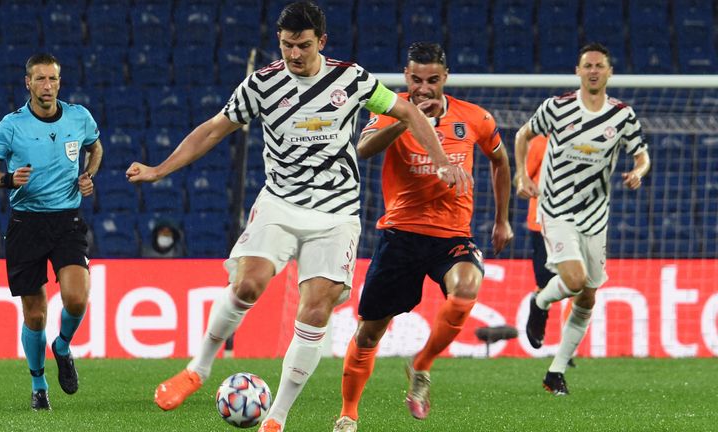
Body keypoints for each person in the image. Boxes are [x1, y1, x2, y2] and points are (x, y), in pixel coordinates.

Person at [125, 3, 468, 431]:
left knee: (316, 310)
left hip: (336, 212)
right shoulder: (261, 84)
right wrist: (160, 169)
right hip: (280, 204)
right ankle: (198, 369)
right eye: (287, 45)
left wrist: (440, 161)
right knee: (248, 283)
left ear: (321, 42)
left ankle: (276, 418)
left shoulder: (352, 78)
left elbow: (408, 112)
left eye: (303, 45)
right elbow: (214, 128)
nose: (294, 54)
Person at [334, 42, 513, 432]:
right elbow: (362, 149)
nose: (424, 88)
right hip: (401, 235)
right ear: (406, 76)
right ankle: (348, 413)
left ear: (445, 78)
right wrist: (407, 118)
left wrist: (503, 220)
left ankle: (422, 365)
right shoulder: (390, 107)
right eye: (416, 80)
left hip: (452, 237)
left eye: (432, 80)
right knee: (369, 333)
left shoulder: (475, 118)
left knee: (466, 289)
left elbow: (500, 161)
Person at [514, 42, 650, 396]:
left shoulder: (622, 115)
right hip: (556, 208)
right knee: (574, 280)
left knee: (588, 297)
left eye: (599, 65)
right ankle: (540, 302)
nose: (593, 70)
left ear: (609, 72)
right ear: (578, 71)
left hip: (596, 215)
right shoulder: (557, 107)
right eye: (587, 65)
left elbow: (642, 155)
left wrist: (639, 171)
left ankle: (555, 371)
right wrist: (521, 175)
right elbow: (522, 135)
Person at [0, 53, 103, 410]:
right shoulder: (11, 126)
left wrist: (89, 173)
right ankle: (38, 383)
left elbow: (96, 148)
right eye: (41, 80)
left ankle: (62, 346)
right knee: (35, 314)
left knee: (77, 298)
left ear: (60, 82)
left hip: (67, 221)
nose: (48, 86)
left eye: (53, 80)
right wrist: (7, 179)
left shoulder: (79, 117)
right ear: (27, 83)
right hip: (25, 223)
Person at [523, 134, 576, 369]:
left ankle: (568, 345)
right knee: (546, 285)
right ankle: (538, 309)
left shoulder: (586, 143)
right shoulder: (540, 143)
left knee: (579, 284)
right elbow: (524, 177)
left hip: (575, 224)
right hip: (542, 223)